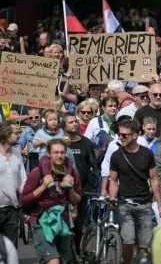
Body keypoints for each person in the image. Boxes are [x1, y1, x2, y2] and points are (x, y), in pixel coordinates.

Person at [109, 119, 161, 264]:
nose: (121, 137)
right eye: (119, 134)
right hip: (124, 204)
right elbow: (113, 180)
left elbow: (154, 179)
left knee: (144, 244)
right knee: (128, 241)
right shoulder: (116, 155)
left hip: (144, 204)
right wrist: (112, 198)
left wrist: (159, 205)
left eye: (125, 135)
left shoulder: (146, 154)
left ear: (135, 135)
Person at [20, 139, 82, 264]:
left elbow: (77, 199)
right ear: (49, 154)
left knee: (62, 259)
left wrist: (70, 189)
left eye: (62, 152)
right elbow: (23, 199)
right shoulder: (38, 172)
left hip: (62, 220)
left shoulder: (72, 173)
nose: (59, 156)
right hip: (40, 220)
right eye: (55, 152)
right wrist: (43, 187)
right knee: (53, 260)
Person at [62, 112, 97, 255]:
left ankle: (77, 252)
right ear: (63, 125)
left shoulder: (86, 142)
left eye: (75, 122)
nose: (74, 124)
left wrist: (93, 187)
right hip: (61, 191)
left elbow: (93, 166)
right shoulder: (58, 143)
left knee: (79, 224)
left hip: (81, 190)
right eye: (70, 122)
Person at [0, 121, 27, 247]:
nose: (19, 136)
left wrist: (27, 204)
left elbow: (23, 182)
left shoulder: (17, 155)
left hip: (12, 210)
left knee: (10, 249)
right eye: (16, 133)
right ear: (6, 134)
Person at [15, 107, 41, 172]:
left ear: (41, 117)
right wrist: (18, 149)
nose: (34, 119)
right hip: (32, 163)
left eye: (36, 117)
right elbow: (19, 144)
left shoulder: (47, 130)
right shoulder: (26, 131)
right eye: (31, 118)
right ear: (28, 120)